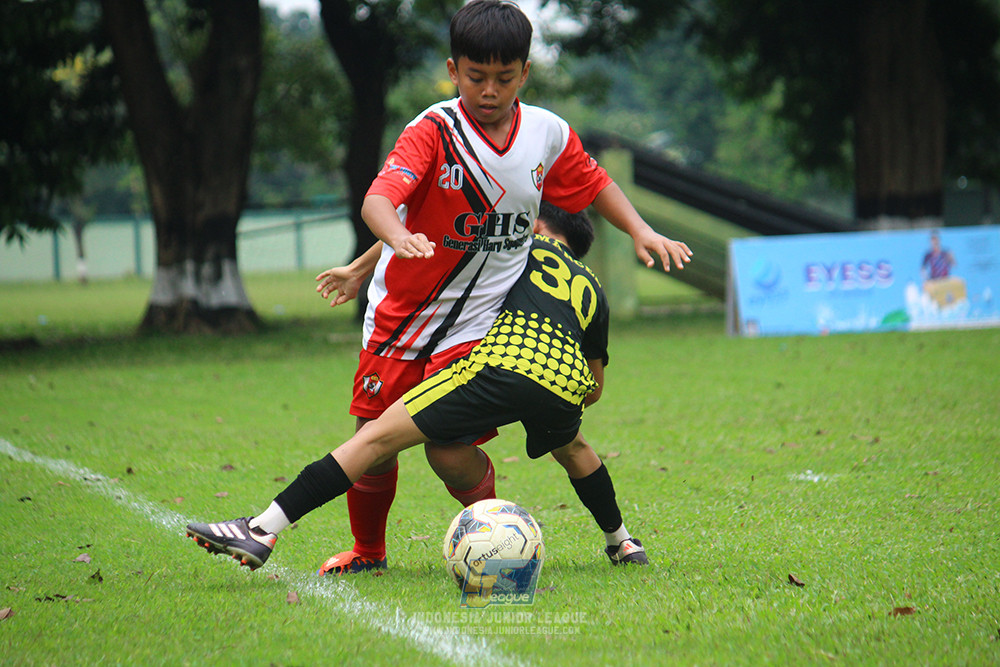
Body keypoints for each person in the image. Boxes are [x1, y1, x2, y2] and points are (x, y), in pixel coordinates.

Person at [312, 0, 691, 575]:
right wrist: (375, 255)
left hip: (474, 327)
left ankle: (499, 539)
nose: (489, 90)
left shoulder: (544, 135)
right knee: (370, 440)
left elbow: (594, 183)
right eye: (475, 76)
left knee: (448, 449)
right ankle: (369, 553)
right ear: (452, 69)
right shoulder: (433, 129)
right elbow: (383, 202)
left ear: (525, 73)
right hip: (397, 319)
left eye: (504, 77)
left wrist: (640, 229)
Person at [185, 203, 642, 571]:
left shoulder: (515, 245)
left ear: (536, 221)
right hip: (563, 380)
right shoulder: (594, 288)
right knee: (576, 450)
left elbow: (430, 227)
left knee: (375, 438)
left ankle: (262, 528)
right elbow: (595, 386)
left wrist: (361, 268)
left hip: (497, 366)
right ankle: (622, 543)